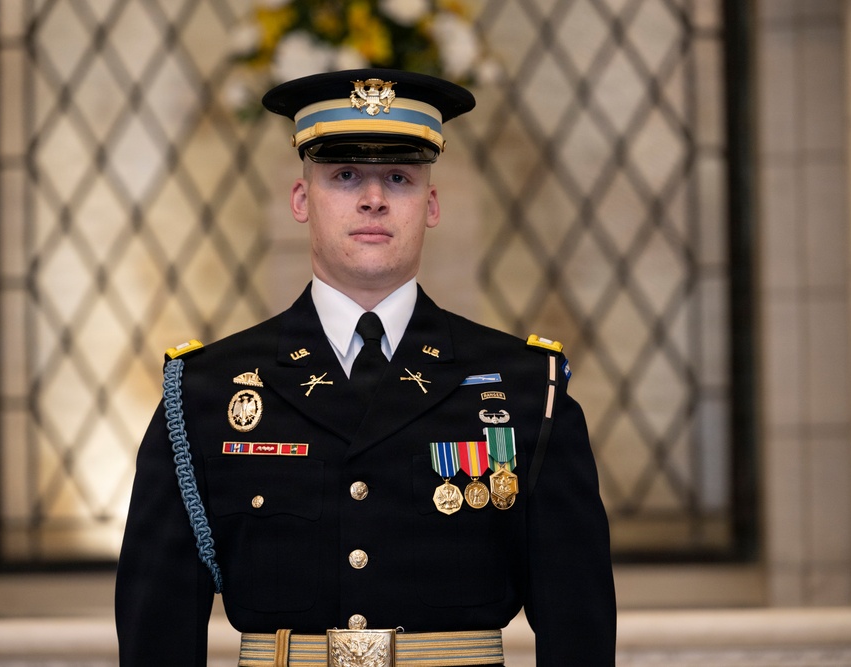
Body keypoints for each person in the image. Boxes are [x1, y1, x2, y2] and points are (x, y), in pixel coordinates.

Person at [115, 68, 616, 666]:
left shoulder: (529, 387)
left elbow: (578, 623)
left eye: (399, 178)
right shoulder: (204, 392)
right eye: (344, 175)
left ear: (431, 205)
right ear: (301, 200)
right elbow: (157, 627)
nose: (373, 198)